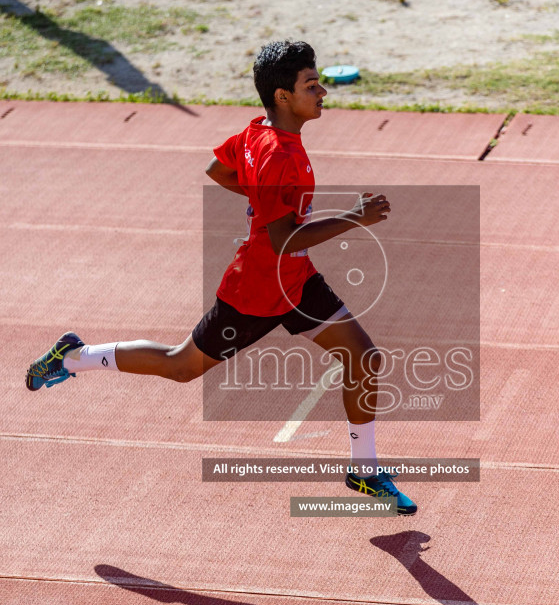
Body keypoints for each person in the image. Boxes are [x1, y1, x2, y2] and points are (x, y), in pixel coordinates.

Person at [25, 39, 417, 514]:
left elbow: (217, 169)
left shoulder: (257, 132)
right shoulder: (278, 154)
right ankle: (75, 356)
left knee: (363, 358)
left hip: (295, 282)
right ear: (282, 97)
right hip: (255, 292)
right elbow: (283, 240)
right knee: (180, 367)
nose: (323, 93)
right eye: (311, 85)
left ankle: (364, 470)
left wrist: (263, 207)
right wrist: (355, 217)